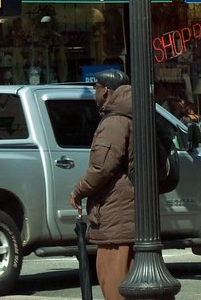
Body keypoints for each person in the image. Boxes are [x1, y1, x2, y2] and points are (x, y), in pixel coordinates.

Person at [69, 70, 134, 300]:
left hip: (115, 216)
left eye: (96, 88)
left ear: (106, 90)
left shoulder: (114, 121)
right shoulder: (132, 114)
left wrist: (78, 191)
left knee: (114, 284)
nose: (94, 93)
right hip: (129, 215)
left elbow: (102, 167)